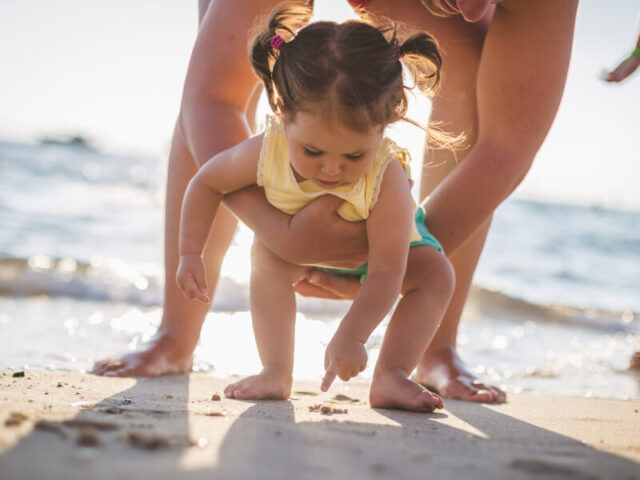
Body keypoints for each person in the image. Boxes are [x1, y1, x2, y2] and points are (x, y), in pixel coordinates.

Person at [92, 0, 579, 405]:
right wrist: (275, 231)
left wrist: (382, 261)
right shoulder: (275, 144)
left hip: (384, 242)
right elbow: (211, 101)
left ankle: (430, 348)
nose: (475, 10)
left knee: (467, 51)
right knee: (221, 57)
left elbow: (507, 146)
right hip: (277, 216)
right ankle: (178, 335)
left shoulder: (386, 173)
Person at [176, 5, 455, 412]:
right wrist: (189, 252)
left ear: (384, 128)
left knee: (436, 274)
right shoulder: (265, 148)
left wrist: (353, 335)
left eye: (354, 155)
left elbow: (386, 271)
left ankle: (392, 374)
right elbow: (206, 182)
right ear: (282, 112)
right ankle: (275, 370)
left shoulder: (387, 176)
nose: (331, 168)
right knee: (266, 259)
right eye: (312, 151)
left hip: (380, 259)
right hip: (296, 254)